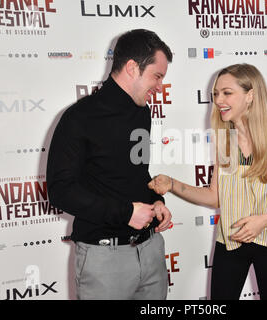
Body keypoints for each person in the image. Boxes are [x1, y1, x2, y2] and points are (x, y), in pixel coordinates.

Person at [148, 64, 267, 300]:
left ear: (250, 95)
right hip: (232, 238)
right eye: (215, 94)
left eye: (227, 93)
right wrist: (173, 184)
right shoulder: (226, 140)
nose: (218, 100)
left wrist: (262, 222)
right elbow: (215, 196)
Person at [46, 29, 173, 300]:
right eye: (157, 76)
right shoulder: (79, 118)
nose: (160, 86)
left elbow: (136, 173)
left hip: (151, 252)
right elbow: (60, 190)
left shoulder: (142, 112)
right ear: (131, 68)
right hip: (104, 258)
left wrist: (156, 200)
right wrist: (125, 212)